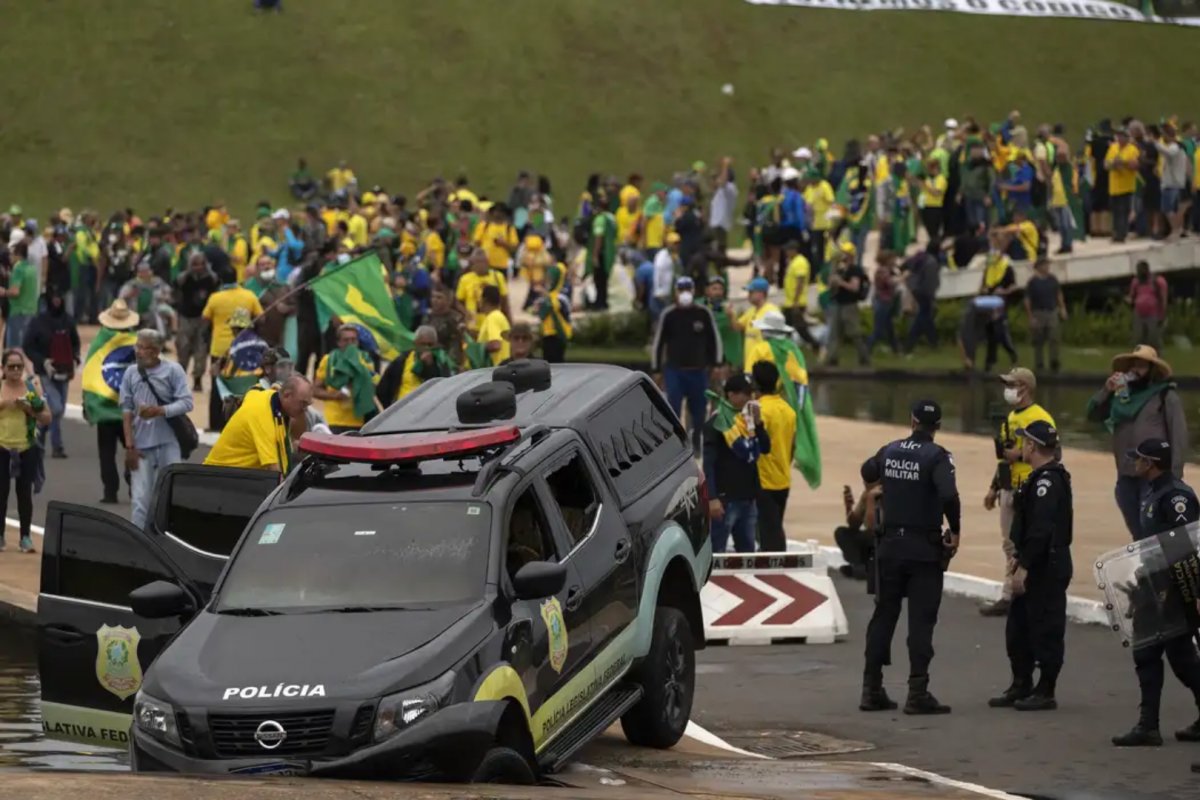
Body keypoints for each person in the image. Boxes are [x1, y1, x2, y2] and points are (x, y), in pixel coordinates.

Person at [859, 400, 960, 715]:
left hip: (889, 547)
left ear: (912, 420)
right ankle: (917, 692)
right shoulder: (938, 457)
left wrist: (879, 491)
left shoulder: (889, 450)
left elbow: (867, 470)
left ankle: (871, 689)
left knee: (883, 616)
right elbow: (948, 495)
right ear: (938, 427)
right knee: (921, 621)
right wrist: (955, 530)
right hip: (923, 550)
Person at [1111, 438, 1200, 748]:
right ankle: (1149, 724)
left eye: (1139, 459)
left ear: (1150, 463)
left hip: (1170, 591)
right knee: (1170, 656)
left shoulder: (1175, 496)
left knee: (1164, 655)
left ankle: (1149, 727)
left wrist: (1178, 594)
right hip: (1153, 586)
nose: (1134, 463)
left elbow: (1183, 550)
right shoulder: (1152, 492)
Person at [988, 420, 1072, 711]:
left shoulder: (1048, 482)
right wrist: (1016, 557)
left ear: (1033, 446)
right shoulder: (1037, 477)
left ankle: (1045, 689)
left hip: (1045, 564)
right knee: (1018, 627)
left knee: (1046, 626)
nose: (1021, 447)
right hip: (1030, 559)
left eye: (1024, 443)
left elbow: (1042, 530)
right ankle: (1020, 682)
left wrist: (1023, 565)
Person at [1087, 345, 1188, 539]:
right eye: (1133, 365)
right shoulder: (1120, 396)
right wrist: (1106, 391)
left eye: (1141, 366)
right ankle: (1146, 567)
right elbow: (1093, 414)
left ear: (1152, 371)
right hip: (1126, 475)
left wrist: (1174, 477)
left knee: (1156, 532)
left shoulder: (1165, 395)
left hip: (1155, 477)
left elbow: (1179, 436)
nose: (1135, 370)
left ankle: (1162, 568)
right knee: (1138, 534)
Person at [981, 368, 1057, 616]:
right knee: (1010, 544)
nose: (1008, 389)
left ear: (1025, 387)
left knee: (1030, 541)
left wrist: (1020, 454)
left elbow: (1054, 453)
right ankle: (1010, 592)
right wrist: (994, 487)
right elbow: (1005, 456)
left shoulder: (1040, 417)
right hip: (1008, 486)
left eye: (1012, 384)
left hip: (1031, 486)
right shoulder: (1010, 418)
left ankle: (1029, 591)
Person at [119, 329, 193, 530]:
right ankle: (139, 543)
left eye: (143, 348)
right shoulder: (131, 373)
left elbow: (187, 403)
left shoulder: (173, 370)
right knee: (140, 499)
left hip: (170, 444)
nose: (138, 351)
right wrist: (129, 446)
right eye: (137, 346)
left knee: (169, 494)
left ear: (156, 350)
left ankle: (166, 539)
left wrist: (160, 410)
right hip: (141, 446)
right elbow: (126, 410)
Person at [651, 276, 722, 454]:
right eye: (681, 290)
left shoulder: (703, 313)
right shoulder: (669, 315)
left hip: (698, 371)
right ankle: (677, 444)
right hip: (674, 371)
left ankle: (697, 439)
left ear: (693, 291)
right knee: (672, 409)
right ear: (676, 292)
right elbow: (658, 343)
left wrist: (717, 364)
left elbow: (714, 340)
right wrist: (656, 369)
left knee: (699, 411)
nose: (684, 293)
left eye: (687, 290)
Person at [703, 373, 770, 554]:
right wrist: (712, 498)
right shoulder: (717, 423)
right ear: (731, 395)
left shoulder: (748, 423)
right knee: (717, 551)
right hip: (725, 499)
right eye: (745, 394)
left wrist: (758, 424)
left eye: (751, 394)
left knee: (747, 552)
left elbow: (765, 448)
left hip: (747, 497)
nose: (749, 399)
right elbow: (708, 464)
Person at [205, 375, 314, 474]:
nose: (305, 410)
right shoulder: (263, 416)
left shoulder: (271, 397)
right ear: (286, 395)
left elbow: (254, 390)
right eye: (303, 403)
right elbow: (274, 471)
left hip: (238, 476)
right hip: (218, 477)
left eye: (308, 404)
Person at [0, 349, 50, 552]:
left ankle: (25, 537)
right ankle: (0, 535)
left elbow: (47, 417)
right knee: (1, 493)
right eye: (11, 366)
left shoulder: (31, 388)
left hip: (26, 447)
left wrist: (29, 409)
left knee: (24, 494)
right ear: (3, 368)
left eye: (18, 367)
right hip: (2, 446)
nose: (15, 371)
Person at [22, 287, 80, 458]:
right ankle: (47, 440)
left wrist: (75, 359)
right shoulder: (38, 322)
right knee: (55, 408)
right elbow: (28, 346)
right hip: (46, 372)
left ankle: (53, 445)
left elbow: (75, 343)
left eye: (59, 298)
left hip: (65, 371)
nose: (56, 301)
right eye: (53, 298)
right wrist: (43, 361)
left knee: (58, 412)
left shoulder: (68, 321)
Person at [202, 275, 264, 432]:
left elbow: (205, 318)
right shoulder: (249, 296)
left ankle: (217, 424)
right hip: (244, 353)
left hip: (219, 348)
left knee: (219, 387)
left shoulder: (215, 297)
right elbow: (261, 317)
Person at [752, 360, 796, 553]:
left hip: (763, 480)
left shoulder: (757, 410)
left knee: (769, 535)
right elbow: (792, 445)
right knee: (774, 527)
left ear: (755, 383)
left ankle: (776, 574)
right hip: (783, 479)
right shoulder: (789, 411)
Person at [314, 324, 378, 433]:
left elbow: (372, 386)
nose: (350, 344)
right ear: (339, 343)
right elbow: (315, 390)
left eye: (353, 340)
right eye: (346, 340)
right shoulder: (328, 360)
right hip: (333, 420)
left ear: (358, 342)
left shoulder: (365, 360)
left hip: (358, 421)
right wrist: (334, 395)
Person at [376, 325, 453, 406]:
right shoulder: (402, 360)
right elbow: (384, 387)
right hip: (401, 407)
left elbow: (442, 386)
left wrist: (429, 365)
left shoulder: (441, 362)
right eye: (423, 344)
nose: (426, 348)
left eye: (430, 345)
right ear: (415, 343)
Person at [825, 246, 870, 367]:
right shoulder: (839, 269)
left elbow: (854, 287)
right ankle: (832, 359)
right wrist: (832, 277)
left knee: (854, 332)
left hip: (849, 304)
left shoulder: (855, 270)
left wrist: (841, 282)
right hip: (837, 303)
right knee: (835, 333)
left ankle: (864, 357)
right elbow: (831, 286)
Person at [979, 235, 1018, 371]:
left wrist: (1004, 291)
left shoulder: (1007, 264)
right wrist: (982, 288)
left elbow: (1013, 285)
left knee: (998, 329)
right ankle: (990, 361)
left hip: (1000, 300)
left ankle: (1010, 352)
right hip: (989, 297)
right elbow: (985, 276)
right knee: (990, 330)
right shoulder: (990, 261)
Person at [1024, 258, 1066, 373]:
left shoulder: (1053, 279)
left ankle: (1054, 362)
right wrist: (1030, 317)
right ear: (1039, 267)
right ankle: (1039, 364)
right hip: (1038, 313)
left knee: (1054, 338)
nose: (1047, 267)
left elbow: (1058, 294)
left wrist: (1062, 308)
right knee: (1038, 340)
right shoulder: (1032, 282)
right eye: (1045, 265)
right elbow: (1027, 300)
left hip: (1051, 311)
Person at [734, 277, 780, 373]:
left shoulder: (772, 312)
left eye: (751, 292)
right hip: (749, 366)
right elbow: (737, 327)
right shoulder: (751, 311)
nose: (748, 295)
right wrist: (730, 315)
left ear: (761, 294)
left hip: (764, 367)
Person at [902, 244, 941, 354]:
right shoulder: (932, 262)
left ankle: (933, 340)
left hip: (914, 288)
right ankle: (911, 344)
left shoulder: (921, 257)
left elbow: (904, 265)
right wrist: (931, 295)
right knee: (923, 316)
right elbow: (930, 281)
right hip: (923, 291)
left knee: (925, 316)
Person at [1105, 127, 1139, 243]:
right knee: (1115, 211)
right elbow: (1106, 164)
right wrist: (1114, 163)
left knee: (1123, 210)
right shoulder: (1113, 148)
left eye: (1122, 136)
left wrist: (1122, 163)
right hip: (1114, 186)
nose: (1119, 138)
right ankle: (1115, 232)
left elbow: (1134, 165)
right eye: (1118, 136)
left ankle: (1121, 234)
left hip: (1126, 186)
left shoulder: (1132, 149)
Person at [3, 241, 38, 349]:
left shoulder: (18, 268)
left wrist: (3, 292)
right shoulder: (32, 268)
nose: (10, 257)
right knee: (27, 347)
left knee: (14, 349)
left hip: (18, 312)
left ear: (17, 254)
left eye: (11, 254)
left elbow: (15, 292)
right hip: (31, 311)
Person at [1127, 260, 1167, 351]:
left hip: (1153, 313)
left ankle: (1156, 357)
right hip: (1139, 313)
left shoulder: (1156, 281)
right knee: (1138, 338)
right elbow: (1132, 296)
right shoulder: (1136, 282)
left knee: (1153, 339)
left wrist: (1162, 315)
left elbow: (1162, 299)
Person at [535, 264, 572, 363]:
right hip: (547, 334)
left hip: (558, 334)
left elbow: (564, 311)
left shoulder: (561, 297)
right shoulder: (548, 296)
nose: (548, 282)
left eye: (550, 279)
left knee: (557, 362)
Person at [427, 285, 465, 369]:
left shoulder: (456, 318)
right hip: (430, 361)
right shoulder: (428, 317)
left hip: (450, 362)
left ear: (448, 300)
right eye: (433, 297)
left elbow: (460, 342)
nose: (435, 300)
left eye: (439, 297)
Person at [475, 285, 511, 368]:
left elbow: (495, 344)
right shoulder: (499, 316)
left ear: (484, 300)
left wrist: (476, 348)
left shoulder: (493, 317)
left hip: (495, 369)